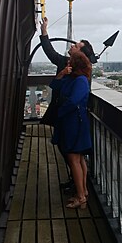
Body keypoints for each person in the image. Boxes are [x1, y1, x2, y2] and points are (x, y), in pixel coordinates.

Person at [39, 17, 96, 190]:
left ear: (80, 55)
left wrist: (61, 110)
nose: (72, 46)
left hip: (70, 116)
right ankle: (79, 186)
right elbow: (50, 52)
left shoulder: (80, 75)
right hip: (67, 115)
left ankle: (79, 189)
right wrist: (44, 32)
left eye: (76, 46)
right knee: (72, 154)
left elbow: (74, 98)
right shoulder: (69, 66)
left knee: (72, 153)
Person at [50, 51, 92, 209]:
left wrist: (59, 112)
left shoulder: (80, 80)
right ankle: (84, 191)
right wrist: (62, 73)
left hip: (74, 122)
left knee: (74, 159)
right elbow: (54, 86)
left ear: (76, 65)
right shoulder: (72, 78)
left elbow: (74, 101)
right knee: (78, 159)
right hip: (71, 121)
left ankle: (81, 197)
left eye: (70, 62)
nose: (68, 64)